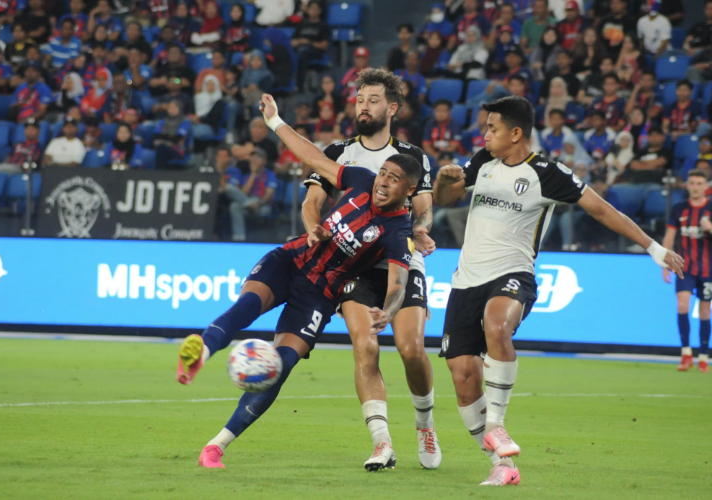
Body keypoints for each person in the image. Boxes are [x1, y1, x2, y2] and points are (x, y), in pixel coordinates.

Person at [432, 95, 683, 486]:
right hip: (465, 280)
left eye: (492, 128)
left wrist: (653, 247)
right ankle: (503, 463)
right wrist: (446, 182)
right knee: (463, 377)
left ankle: (497, 424)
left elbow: (601, 209)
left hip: (513, 273)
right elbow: (445, 198)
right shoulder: (481, 162)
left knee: (496, 326)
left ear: (516, 133)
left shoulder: (548, 173)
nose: (484, 135)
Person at [176, 92, 421, 470]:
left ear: (409, 190)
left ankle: (216, 446)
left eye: (395, 179)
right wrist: (275, 121)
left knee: (280, 366)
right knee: (245, 307)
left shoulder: (398, 230)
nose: (384, 181)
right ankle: (201, 353)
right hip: (291, 261)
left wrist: (388, 311)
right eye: (384, 173)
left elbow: (398, 283)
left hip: (320, 295)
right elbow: (312, 157)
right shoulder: (358, 177)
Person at [301, 68, 440, 471]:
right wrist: (314, 228)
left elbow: (424, 208)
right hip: (353, 264)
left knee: (412, 350)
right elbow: (313, 201)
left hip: (399, 261)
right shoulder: (338, 152)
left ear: (391, 107)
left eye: (373, 100)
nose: (364, 106)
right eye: (360, 99)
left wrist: (420, 229)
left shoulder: (413, 157)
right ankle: (382, 443)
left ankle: (425, 423)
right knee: (366, 346)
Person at [662, 169, 712, 373]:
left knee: (704, 310)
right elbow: (669, 236)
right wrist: (665, 261)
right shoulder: (679, 208)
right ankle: (685, 354)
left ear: (706, 187)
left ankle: (703, 356)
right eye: (692, 183)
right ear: (687, 186)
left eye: (699, 183)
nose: (695, 187)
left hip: (708, 269)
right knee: (682, 304)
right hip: (685, 268)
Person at [228, 147, 277, 241]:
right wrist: (253, 174)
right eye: (252, 158)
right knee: (234, 205)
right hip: (248, 206)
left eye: (258, 158)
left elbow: (269, 194)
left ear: (264, 161)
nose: (254, 161)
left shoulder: (270, 174)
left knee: (252, 200)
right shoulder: (247, 176)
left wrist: (258, 204)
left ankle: (251, 203)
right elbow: (243, 193)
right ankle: (239, 238)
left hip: (263, 206)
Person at [291, 0, 329, 90]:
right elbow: (292, 41)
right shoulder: (302, 25)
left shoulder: (323, 26)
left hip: (315, 51)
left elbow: (324, 45)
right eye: (311, 8)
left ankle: (300, 85)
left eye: (316, 9)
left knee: (303, 53)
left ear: (320, 11)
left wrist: (308, 42)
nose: (313, 11)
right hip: (299, 49)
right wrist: (297, 42)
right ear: (307, 10)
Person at [153, 100, 192, 170]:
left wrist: (164, 138)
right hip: (163, 148)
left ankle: (158, 173)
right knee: (161, 148)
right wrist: (169, 139)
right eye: (169, 107)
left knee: (162, 148)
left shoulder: (185, 121)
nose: (171, 109)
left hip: (178, 151)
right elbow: (156, 137)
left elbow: (177, 139)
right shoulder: (163, 121)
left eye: (174, 107)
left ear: (179, 108)